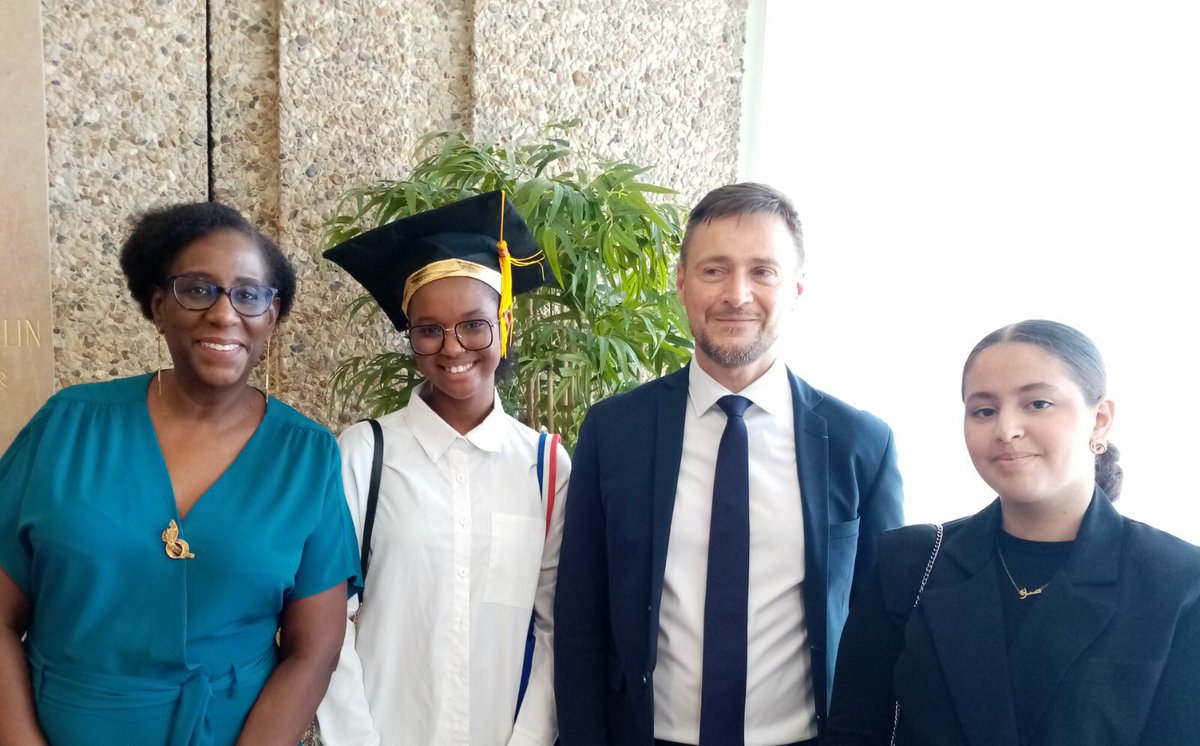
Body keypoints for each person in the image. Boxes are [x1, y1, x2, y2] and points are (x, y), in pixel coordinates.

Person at [554, 182, 905, 746]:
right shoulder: (614, 431)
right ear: (682, 282)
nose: (736, 294)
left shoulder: (860, 444)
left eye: (762, 271)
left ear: (796, 288)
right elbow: (579, 619)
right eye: (714, 270)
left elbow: (879, 631)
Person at [0, 202, 361, 745]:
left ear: (273, 315)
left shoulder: (306, 455)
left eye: (249, 294)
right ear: (157, 305)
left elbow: (314, 651)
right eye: (198, 289)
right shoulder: (67, 426)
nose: (224, 313)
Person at [825, 319, 1200, 745]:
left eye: (1038, 404)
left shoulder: (1179, 580)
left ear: (1099, 420)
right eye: (984, 410)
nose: (1006, 430)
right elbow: (854, 733)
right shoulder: (909, 563)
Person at [315, 190, 568, 746]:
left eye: (474, 324)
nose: (453, 347)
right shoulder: (364, 454)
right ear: (411, 337)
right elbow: (328, 625)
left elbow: (554, 627)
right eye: (429, 329)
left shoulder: (546, 468)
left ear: (504, 324)